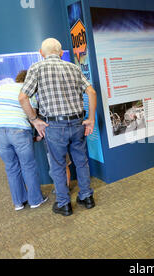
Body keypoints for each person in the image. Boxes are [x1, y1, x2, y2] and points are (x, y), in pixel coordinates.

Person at [19, 38, 97, 217]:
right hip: (78, 122)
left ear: (41, 52)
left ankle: (64, 204)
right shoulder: (74, 67)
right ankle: (87, 197)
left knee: (58, 165)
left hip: (54, 125)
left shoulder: (36, 68)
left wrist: (34, 120)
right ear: (61, 53)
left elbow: (23, 97)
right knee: (81, 161)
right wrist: (91, 119)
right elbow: (91, 92)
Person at [0, 70, 48, 211]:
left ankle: (19, 202)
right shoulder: (28, 92)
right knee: (28, 166)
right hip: (18, 130)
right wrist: (38, 134)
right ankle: (35, 200)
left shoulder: (2, 89)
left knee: (11, 167)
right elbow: (32, 116)